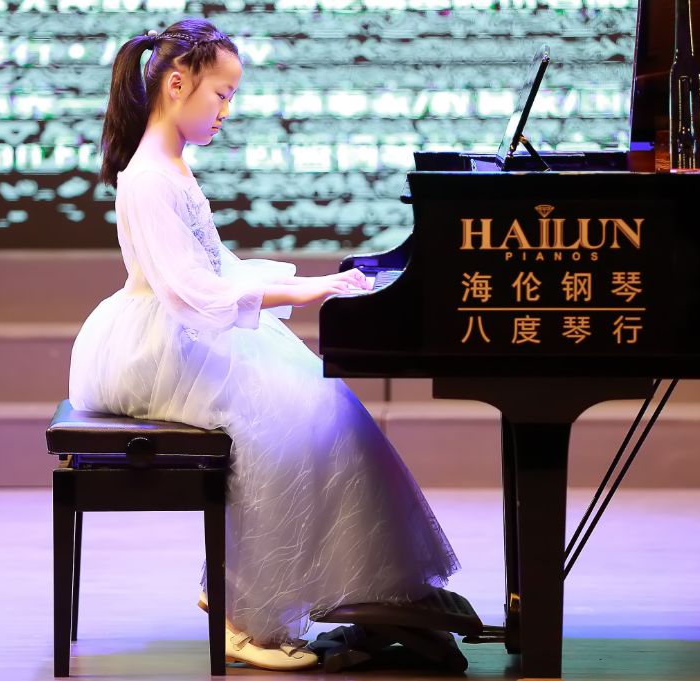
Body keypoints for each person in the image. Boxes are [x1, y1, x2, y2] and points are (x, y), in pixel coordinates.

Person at [68, 17, 461, 671]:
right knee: (282, 424)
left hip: (179, 331)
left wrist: (313, 285)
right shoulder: (149, 176)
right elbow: (190, 293)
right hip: (153, 346)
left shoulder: (171, 166)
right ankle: (240, 611)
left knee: (325, 411)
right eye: (221, 95)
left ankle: (345, 598)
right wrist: (306, 293)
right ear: (176, 84)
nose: (227, 110)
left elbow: (215, 270)